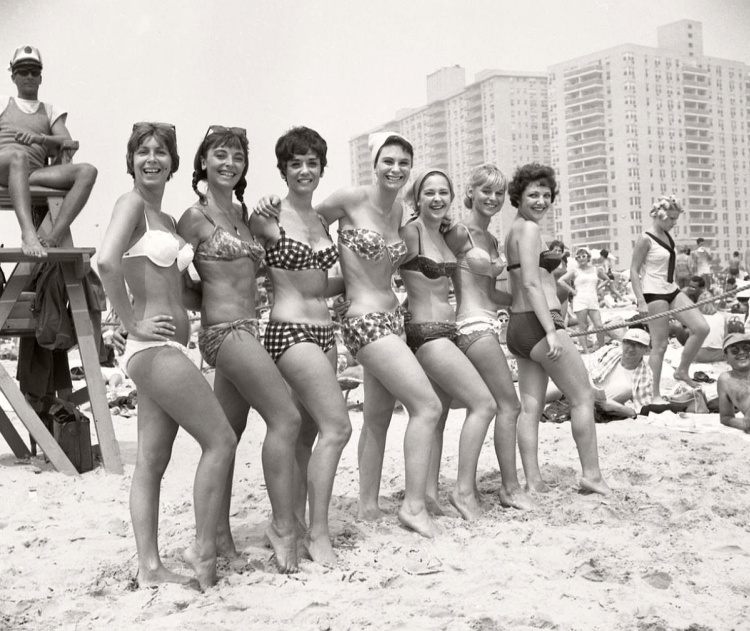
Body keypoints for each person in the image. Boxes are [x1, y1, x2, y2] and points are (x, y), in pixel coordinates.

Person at [255, 131, 443, 538]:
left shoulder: (399, 215)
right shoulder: (348, 200)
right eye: (388, 161)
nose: (395, 169)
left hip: (392, 318)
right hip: (364, 322)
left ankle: (368, 505)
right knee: (426, 406)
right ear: (374, 165)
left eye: (403, 163)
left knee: (376, 420)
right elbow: (302, 219)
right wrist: (268, 204)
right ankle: (413, 506)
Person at [98, 122, 237, 590]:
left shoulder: (169, 222)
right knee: (221, 440)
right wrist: (130, 322)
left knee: (152, 463)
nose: (152, 158)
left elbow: (184, 293)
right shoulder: (131, 204)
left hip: (174, 345)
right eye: (143, 151)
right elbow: (105, 262)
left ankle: (150, 567)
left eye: (161, 152)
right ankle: (204, 548)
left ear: (175, 163)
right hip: (152, 346)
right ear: (131, 160)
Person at [176, 125, 301, 572]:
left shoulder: (243, 214)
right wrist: (205, 305)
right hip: (225, 332)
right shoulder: (193, 217)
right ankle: (284, 527)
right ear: (203, 162)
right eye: (220, 155)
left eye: (237, 157)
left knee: (226, 436)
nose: (229, 163)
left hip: (247, 327)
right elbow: (179, 284)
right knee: (286, 417)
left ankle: (217, 536)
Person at [251, 126, 352, 563]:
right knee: (339, 426)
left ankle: (288, 524)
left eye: (312, 163)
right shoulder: (268, 217)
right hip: (288, 330)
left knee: (306, 434)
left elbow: (321, 284)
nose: (305, 170)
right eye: (296, 164)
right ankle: (319, 533)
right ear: (283, 170)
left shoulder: (320, 221)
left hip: (323, 331)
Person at [503, 163, 609, 495]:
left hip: (518, 327)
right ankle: (591, 475)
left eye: (546, 195)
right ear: (518, 197)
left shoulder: (514, 231)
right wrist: (551, 330)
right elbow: (533, 284)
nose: (541, 201)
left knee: (531, 408)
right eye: (533, 194)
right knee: (582, 396)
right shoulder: (531, 231)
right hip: (540, 321)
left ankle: (533, 480)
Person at [399, 168, 496, 520]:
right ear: (417, 197)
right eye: (429, 193)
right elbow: (384, 269)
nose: (437, 198)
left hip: (445, 330)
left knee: (436, 418)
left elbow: (481, 263)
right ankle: (464, 492)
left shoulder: (443, 235)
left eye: (444, 192)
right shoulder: (409, 231)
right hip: (427, 333)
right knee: (484, 404)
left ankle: (428, 496)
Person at [444, 163, 532, 510]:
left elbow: (493, 294)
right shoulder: (458, 232)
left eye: (498, 193)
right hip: (470, 324)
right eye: (486, 191)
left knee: (486, 406)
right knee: (507, 405)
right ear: (470, 193)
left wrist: (529, 304)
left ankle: (474, 488)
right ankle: (500, 488)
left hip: (487, 320)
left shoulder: (491, 239)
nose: (493, 198)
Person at [0, 45, 97, 257]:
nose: (29, 76)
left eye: (34, 72)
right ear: (13, 77)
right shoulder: (3, 102)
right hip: (4, 166)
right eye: (23, 71)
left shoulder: (51, 110)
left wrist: (40, 139)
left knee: (88, 171)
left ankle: (52, 237)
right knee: (18, 156)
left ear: (41, 78)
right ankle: (28, 234)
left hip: (31, 173)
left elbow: (67, 141)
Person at [630, 196, 709, 401]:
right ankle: (653, 393)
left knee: (701, 328)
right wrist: (640, 300)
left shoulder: (666, 235)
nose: (674, 223)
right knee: (660, 345)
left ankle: (682, 370)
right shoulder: (645, 238)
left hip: (671, 289)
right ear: (660, 216)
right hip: (653, 292)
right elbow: (634, 269)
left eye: (676, 219)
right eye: (671, 218)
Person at [557, 248, 611, 353]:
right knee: (583, 326)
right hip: (580, 299)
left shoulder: (596, 269)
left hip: (593, 298)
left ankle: (602, 348)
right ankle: (586, 351)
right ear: (576, 259)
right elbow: (561, 281)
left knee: (599, 325)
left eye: (584, 256)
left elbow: (607, 279)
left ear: (588, 257)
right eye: (579, 256)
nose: (581, 258)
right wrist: (572, 290)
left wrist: (598, 287)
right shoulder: (575, 270)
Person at [717, 332, 750, 433]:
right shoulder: (725, 380)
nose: (741, 352)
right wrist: (743, 424)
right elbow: (725, 417)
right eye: (734, 350)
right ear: (725, 357)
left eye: (746, 348)